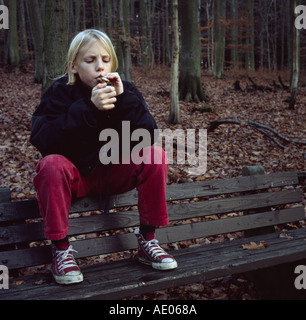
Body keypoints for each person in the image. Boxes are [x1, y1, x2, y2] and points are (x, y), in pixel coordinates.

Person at [30, 29, 177, 285]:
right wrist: (88, 108)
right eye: (90, 60)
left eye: (106, 59)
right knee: (51, 164)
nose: (100, 66)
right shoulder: (59, 92)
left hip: (114, 174)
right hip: (76, 178)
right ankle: (61, 250)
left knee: (155, 155)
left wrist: (122, 101)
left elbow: (147, 134)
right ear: (73, 66)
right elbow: (44, 139)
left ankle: (147, 239)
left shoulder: (125, 91)